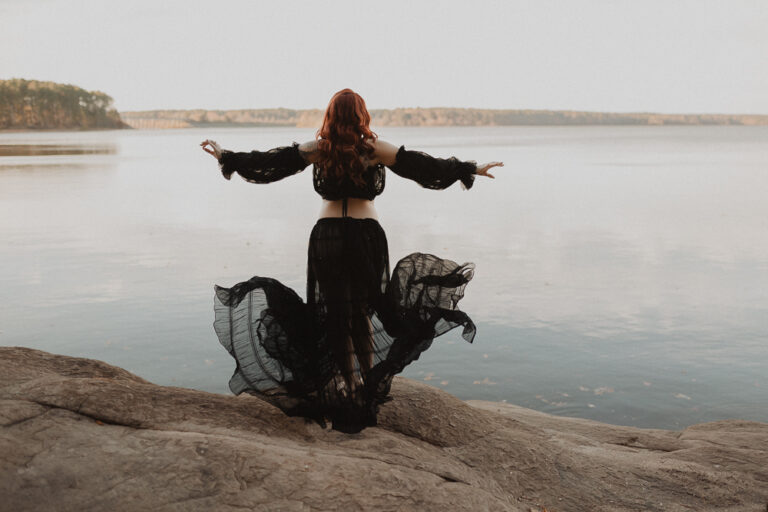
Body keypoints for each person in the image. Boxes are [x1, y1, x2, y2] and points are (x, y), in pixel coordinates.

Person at [201, 88, 502, 433]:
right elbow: (424, 167)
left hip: (327, 236)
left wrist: (228, 157)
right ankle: (366, 384)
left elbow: (270, 164)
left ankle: (345, 383)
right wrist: (470, 168)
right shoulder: (375, 149)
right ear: (362, 115)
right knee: (362, 311)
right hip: (365, 237)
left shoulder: (318, 149)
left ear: (330, 115)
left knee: (334, 311)